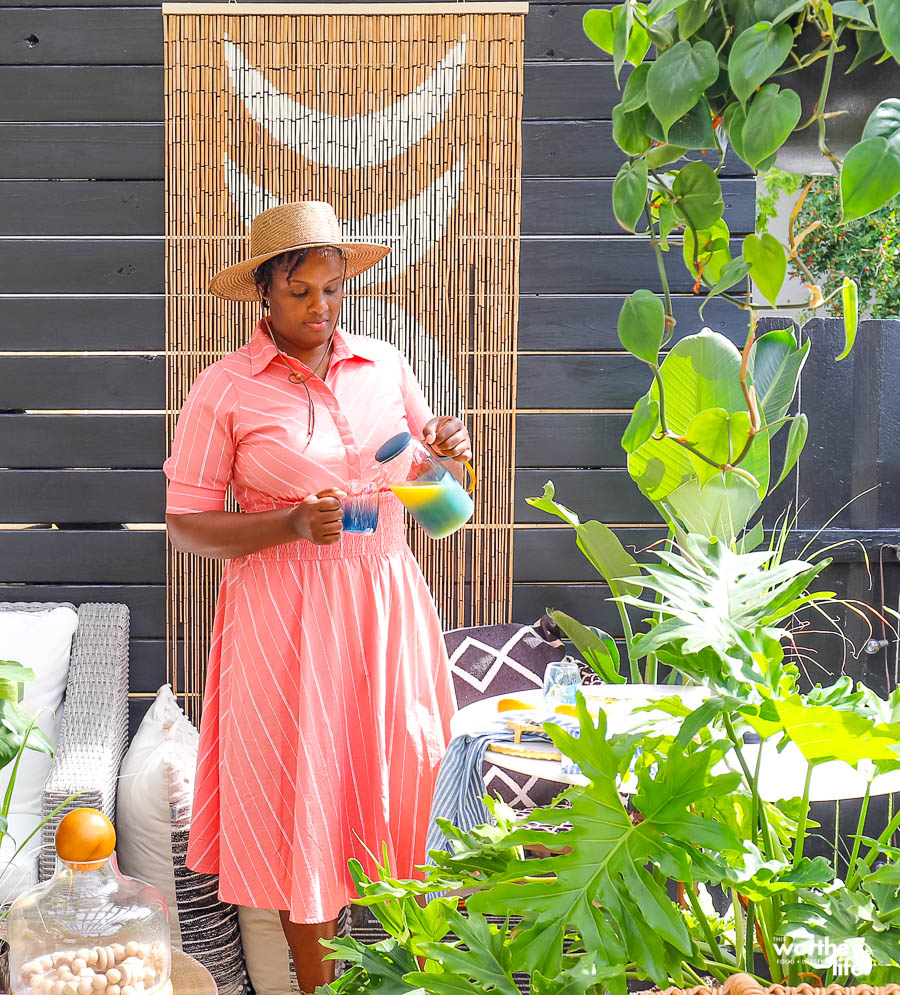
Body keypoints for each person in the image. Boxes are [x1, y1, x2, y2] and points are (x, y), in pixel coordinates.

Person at [163, 201, 468, 992]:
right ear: (264, 291)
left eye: (333, 290)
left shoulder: (385, 366)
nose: (320, 308)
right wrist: (290, 524)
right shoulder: (224, 388)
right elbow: (187, 524)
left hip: (386, 614)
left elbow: (439, 513)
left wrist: (449, 461)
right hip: (284, 624)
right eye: (301, 290)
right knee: (306, 807)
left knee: (408, 799)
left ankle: (423, 980)